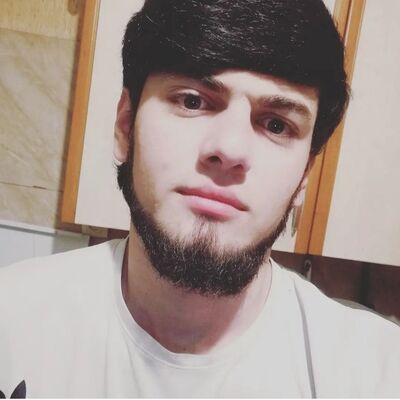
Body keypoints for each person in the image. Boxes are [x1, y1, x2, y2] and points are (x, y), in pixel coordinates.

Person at [0, 0, 399, 397]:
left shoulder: (375, 375)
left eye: (277, 125)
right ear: (125, 126)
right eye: (192, 101)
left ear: (304, 177)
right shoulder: (12, 322)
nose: (229, 148)